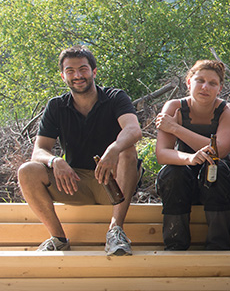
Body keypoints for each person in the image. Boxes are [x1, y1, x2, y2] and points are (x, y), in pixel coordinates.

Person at [18, 46, 142, 255]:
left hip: (112, 183)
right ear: (63, 76)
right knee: (27, 170)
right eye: (70, 71)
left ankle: (115, 231)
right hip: (74, 183)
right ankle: (58, 238)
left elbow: (133, 129)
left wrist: (114, 148)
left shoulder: (114, 98)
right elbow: (39, 150)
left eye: (83, 69)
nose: (77, 75)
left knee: (128, 151)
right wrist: (55, 161)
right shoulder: (56, 106)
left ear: (93, 72)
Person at [155, 60, 230, 250]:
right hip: (184, 185)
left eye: (212, 83)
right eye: (200, 80)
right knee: (173, 172)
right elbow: (162, 154)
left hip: (220, 188)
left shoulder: (229, 110)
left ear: (219, 88)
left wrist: (176, 128)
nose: (205, 87)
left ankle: (218, 245)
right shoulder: (174, 107)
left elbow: (220, 151)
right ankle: (175, 245)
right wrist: (191, 158)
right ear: (188, 82)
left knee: (216, 167)